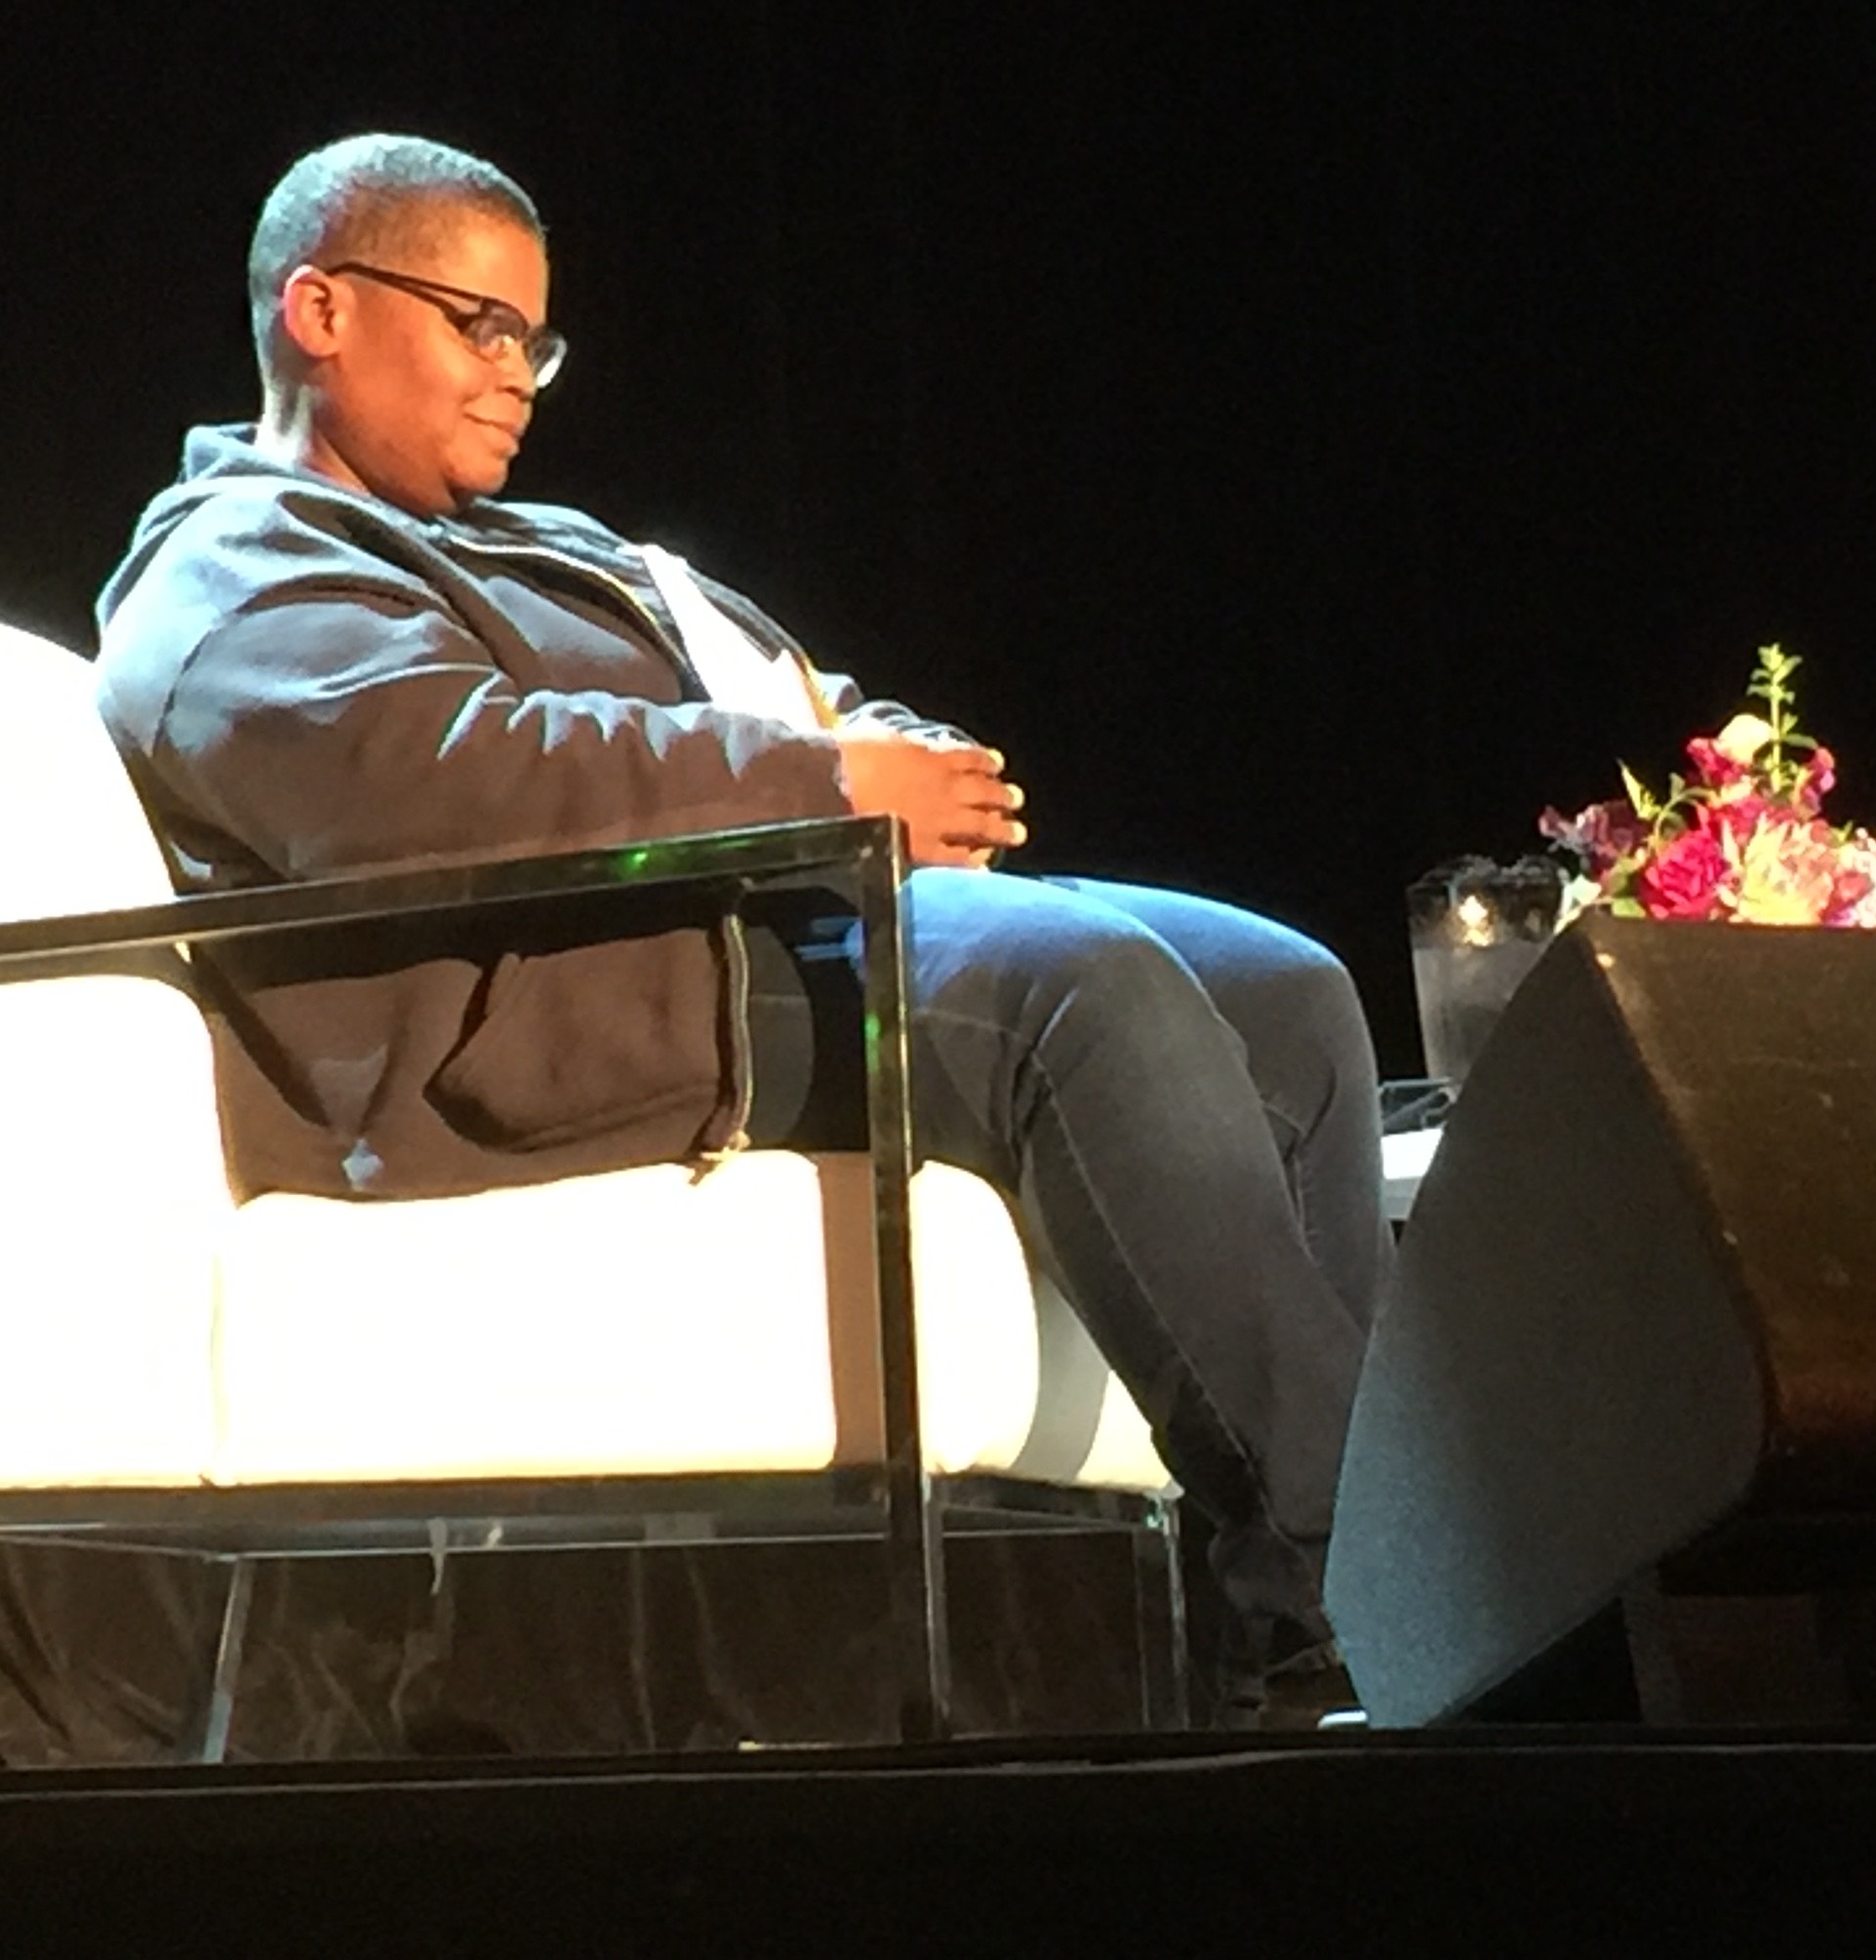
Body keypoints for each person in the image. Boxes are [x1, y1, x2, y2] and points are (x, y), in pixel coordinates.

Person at [94, 133, 1386, 1720]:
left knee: (1285, 990)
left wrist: (898, 761)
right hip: (547, 1004)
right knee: (1082, 987)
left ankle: (1347, 1599)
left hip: (749, 930)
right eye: (478, 326)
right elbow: (429, 774)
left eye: (537, 341)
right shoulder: (231, 564)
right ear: (320, 310)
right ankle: (1348, 1612)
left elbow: (780, 689)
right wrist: (820, 784)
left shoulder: (555, 545)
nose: (519, 376)